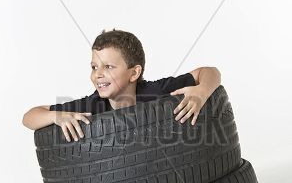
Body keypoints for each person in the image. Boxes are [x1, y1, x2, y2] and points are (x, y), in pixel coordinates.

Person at [22, 29, 221, 142]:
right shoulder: (92, 106)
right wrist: (56, 116)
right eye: (94, 66)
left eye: (108, 66)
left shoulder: (155, 92)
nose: (98, 74)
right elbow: (30, 116)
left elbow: (209, 71)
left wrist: (202, 92)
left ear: (134, 73)